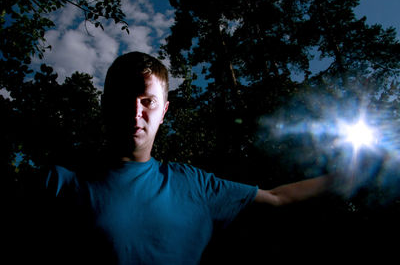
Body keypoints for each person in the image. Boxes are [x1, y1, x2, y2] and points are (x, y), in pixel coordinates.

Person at [40, 52, 333, 265]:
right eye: (123, 98)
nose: (135, 113)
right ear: (106, 104)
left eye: (147, 101)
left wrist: (351, 176)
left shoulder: (195, 185)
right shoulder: (58, 184)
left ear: (164, 111)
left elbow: (278, 199)